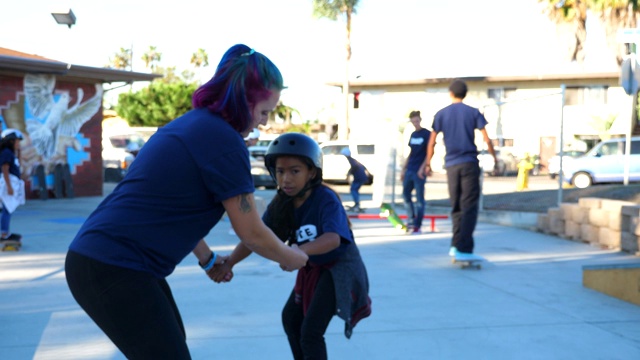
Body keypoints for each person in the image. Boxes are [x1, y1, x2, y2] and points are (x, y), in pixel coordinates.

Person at [64, 44, 308, 360]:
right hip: (114, 265)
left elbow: (175, 208)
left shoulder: (193, 124)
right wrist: (290, 256)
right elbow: (251, 231)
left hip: (108, 261)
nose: (264, 122)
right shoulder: (225, 141)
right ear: (242, 102)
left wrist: (207, 258)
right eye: (263, 112)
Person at [212, 133, 372, 360]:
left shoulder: (325, 198)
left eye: (294, 171)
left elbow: (333, 238)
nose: (286, 178)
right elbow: (255, 236)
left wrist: (297, 252)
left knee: (311, 332)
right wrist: (230, 262)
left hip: (339, 269)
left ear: (312, 173)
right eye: (280, 171)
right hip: (312, 268)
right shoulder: (281, 203)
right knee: (291, 319)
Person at [422, 79, 497, 259]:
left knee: (456, 206)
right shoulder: (473, 112)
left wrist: (427, 163)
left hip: (452, 165)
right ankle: (465, 248)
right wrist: (495, 158)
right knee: (469, 206)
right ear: (465, 94)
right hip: (469, 163)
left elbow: (432, 141)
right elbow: (486, 138)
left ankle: (455, 245)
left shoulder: (441, 114)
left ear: (450, 93)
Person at [401, 110, 431, 234]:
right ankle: (411, 219)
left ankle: (418, 224)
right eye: (413, 121)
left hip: (420, 170)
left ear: (420, 120)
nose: (415, 123)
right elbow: (411, 153)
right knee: (406, 195)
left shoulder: (427, 134)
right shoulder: (413, 135)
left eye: (417, 121)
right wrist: (404, 169)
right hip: (410, 169)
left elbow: (429, 153)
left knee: (419, 199)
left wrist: (422, 168)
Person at [0, 129, 24, 242]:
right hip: (7, 184)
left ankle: (5, 232)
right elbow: (5, 169)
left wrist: (19, 152)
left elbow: (18, 164)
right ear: (10, 141)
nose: (18, 143)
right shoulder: (6, 152)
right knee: (7, 209)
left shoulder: (11, 153)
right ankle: (4, 233)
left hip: (12, 183)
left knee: (8, 209)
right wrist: (9, 187)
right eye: (17, 141)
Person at [341, 147, 369, 213]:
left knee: (353, 189)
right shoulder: (352, 159)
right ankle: (357, 203)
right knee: (355, 190)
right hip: (361, 177)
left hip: (359, 178)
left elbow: (354, 167)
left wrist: (349, 173)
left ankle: (357, 204)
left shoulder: (351, 160)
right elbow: (362, 166)